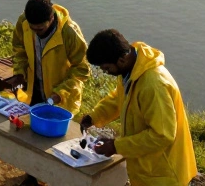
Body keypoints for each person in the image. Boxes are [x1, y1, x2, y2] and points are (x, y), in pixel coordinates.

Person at [79, 30, 197, 186]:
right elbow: (118, 99)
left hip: (165, 174)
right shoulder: (131, 71)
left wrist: (116, 146)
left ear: (121, 59)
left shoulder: (153, 86)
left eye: (106, 68)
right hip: (147, 169)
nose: (105, 72)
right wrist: (93, 117)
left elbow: (162, 135)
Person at [11, 0, 91, 186]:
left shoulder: (69, 33)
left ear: (52, 19)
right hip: (35, 89)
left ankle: (51, 179)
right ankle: (33, 175)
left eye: (40, 29)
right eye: (33, 28)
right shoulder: (24, 22)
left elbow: (82, 69)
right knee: (33, 137)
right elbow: (19, 49)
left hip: (60, 98)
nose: (36, 32)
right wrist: (20, 73)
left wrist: (60, 92)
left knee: (56, 144)